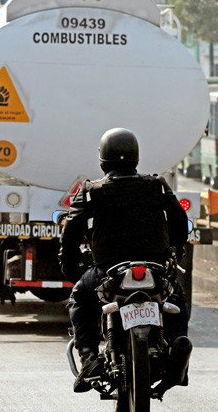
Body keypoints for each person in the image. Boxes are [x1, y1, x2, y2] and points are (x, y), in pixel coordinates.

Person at [59, 127, 191, 394]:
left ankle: (88, 359)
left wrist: (70, 266)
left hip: (108, 270)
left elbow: (71, 229)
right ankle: (178, 350)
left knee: (80, 300)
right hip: (155, 267)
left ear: (102, 159)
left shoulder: (91, 191)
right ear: (136, 157)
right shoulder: (157, 185)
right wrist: (176, 250)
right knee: (176, 300)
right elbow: (179, 220)